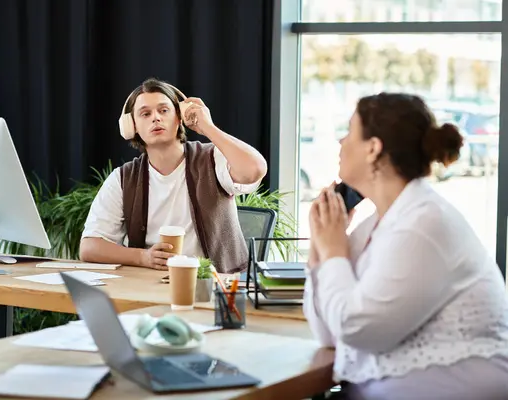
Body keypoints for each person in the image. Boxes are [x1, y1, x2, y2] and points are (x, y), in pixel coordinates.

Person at [304, 93, 508, 400]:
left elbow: (357, 329)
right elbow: (329, 332)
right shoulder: (377, 224)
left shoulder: (424, 223)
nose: (340, 142)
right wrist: (322, 247)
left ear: (373, 148)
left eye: (349, 131)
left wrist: (334, 251)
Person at [79, 78, 267, 273]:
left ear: (180, 118)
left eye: (164, 110)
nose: (156, 118)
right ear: (131, 127)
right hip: (152, 284)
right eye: (145, 114)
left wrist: (207, 127)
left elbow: (254, 170)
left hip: (215, 284)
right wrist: (143, 257)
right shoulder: (123, 179)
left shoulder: (212, 159)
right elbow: (89, 247)